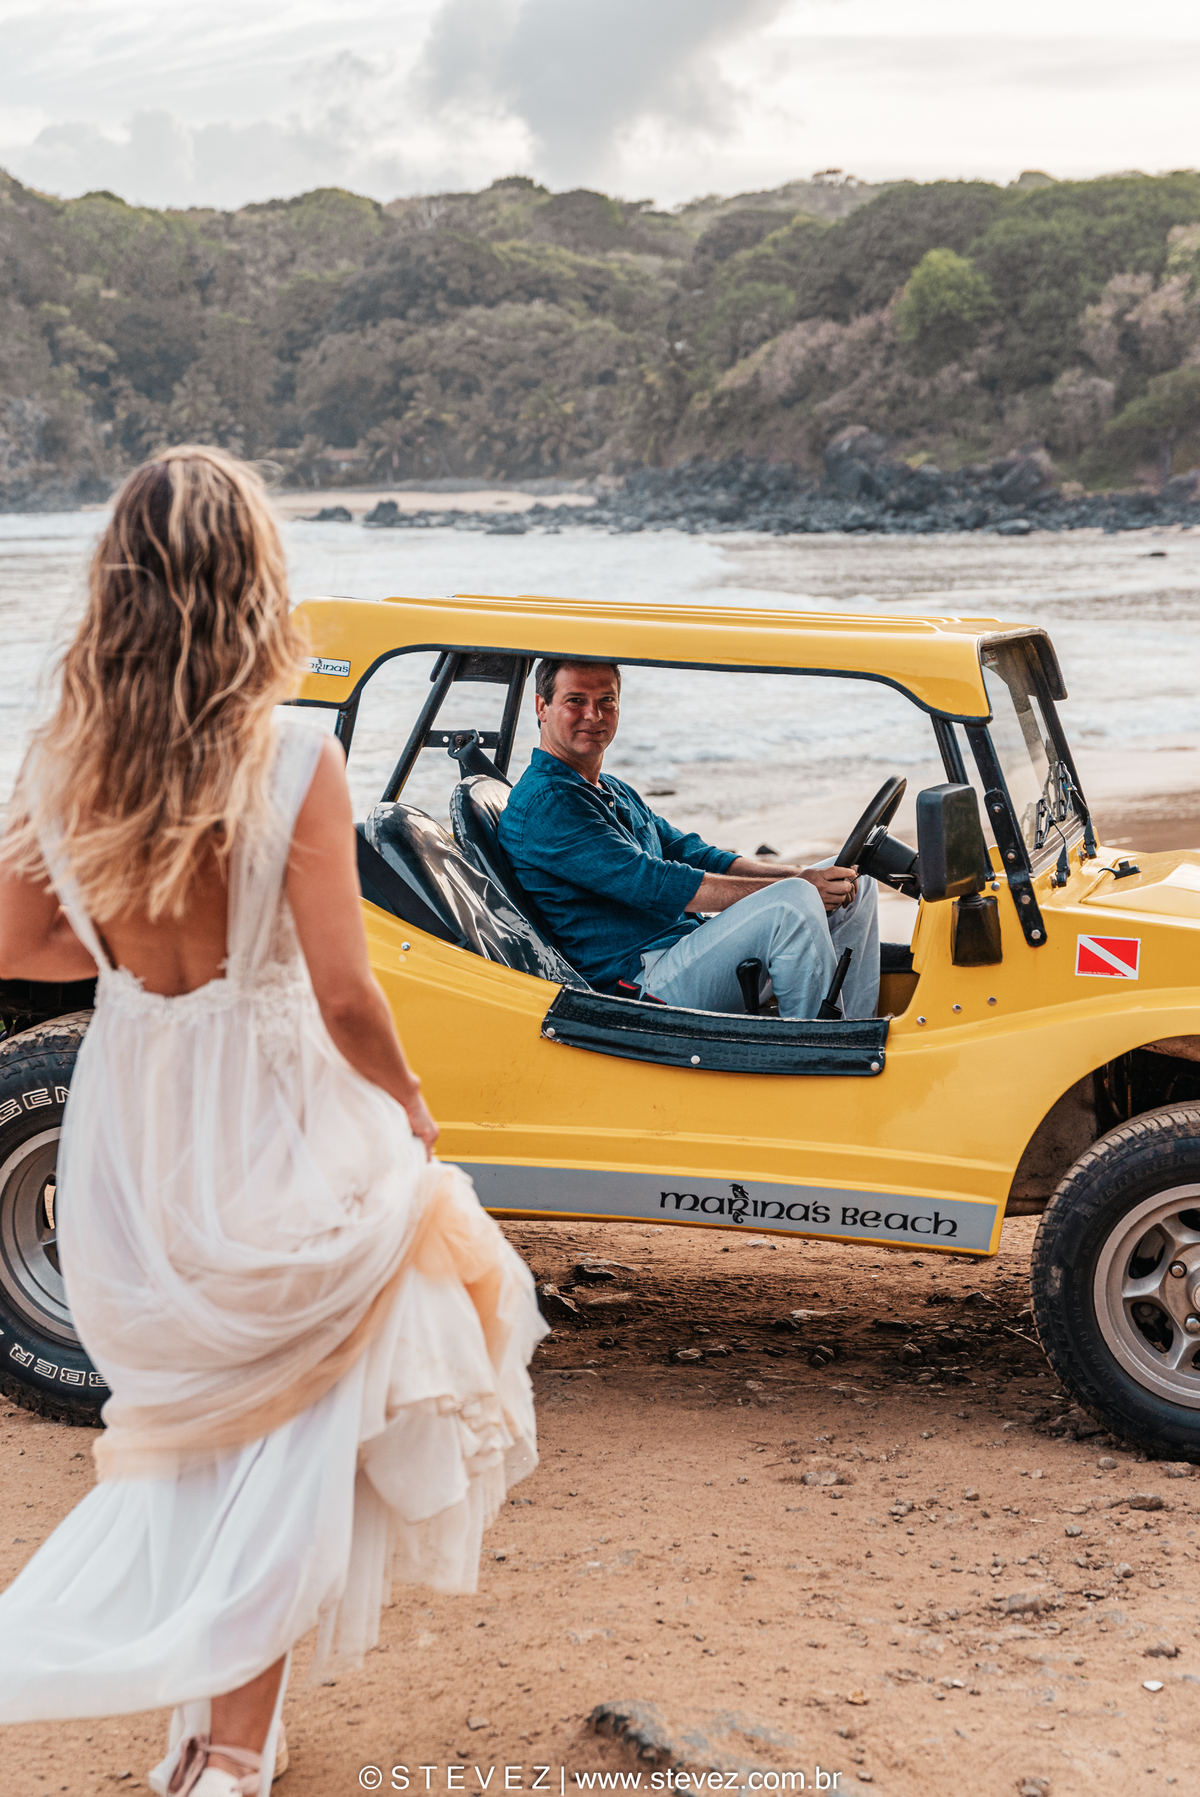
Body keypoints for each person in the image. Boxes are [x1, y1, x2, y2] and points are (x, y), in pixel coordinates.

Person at [0, 447, 544, 1797]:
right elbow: (348, 991)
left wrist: (137, 947)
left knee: (209, 1414)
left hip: (132, 1116)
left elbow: (25, 941)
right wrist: (410, 1107)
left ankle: (215, 1720)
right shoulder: (296, 755)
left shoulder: (60, 760)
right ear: (254, 583)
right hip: (276, 1103)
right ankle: (230, 1746)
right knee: (297, 1419)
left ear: (118, 587)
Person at [498, 659, 879, 1019]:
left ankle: (862, 1030)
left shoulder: (608, 788)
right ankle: (822, 1052)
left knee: (848, 879)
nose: (593, 715)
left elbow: (695, 855)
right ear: (542, 707)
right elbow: (653, 882)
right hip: (639, 987)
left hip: (682, 951)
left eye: (606, 701)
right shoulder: (548, 802)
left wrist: (801, 874)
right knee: (793, 902)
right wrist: (798, 885)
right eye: (576, 701)